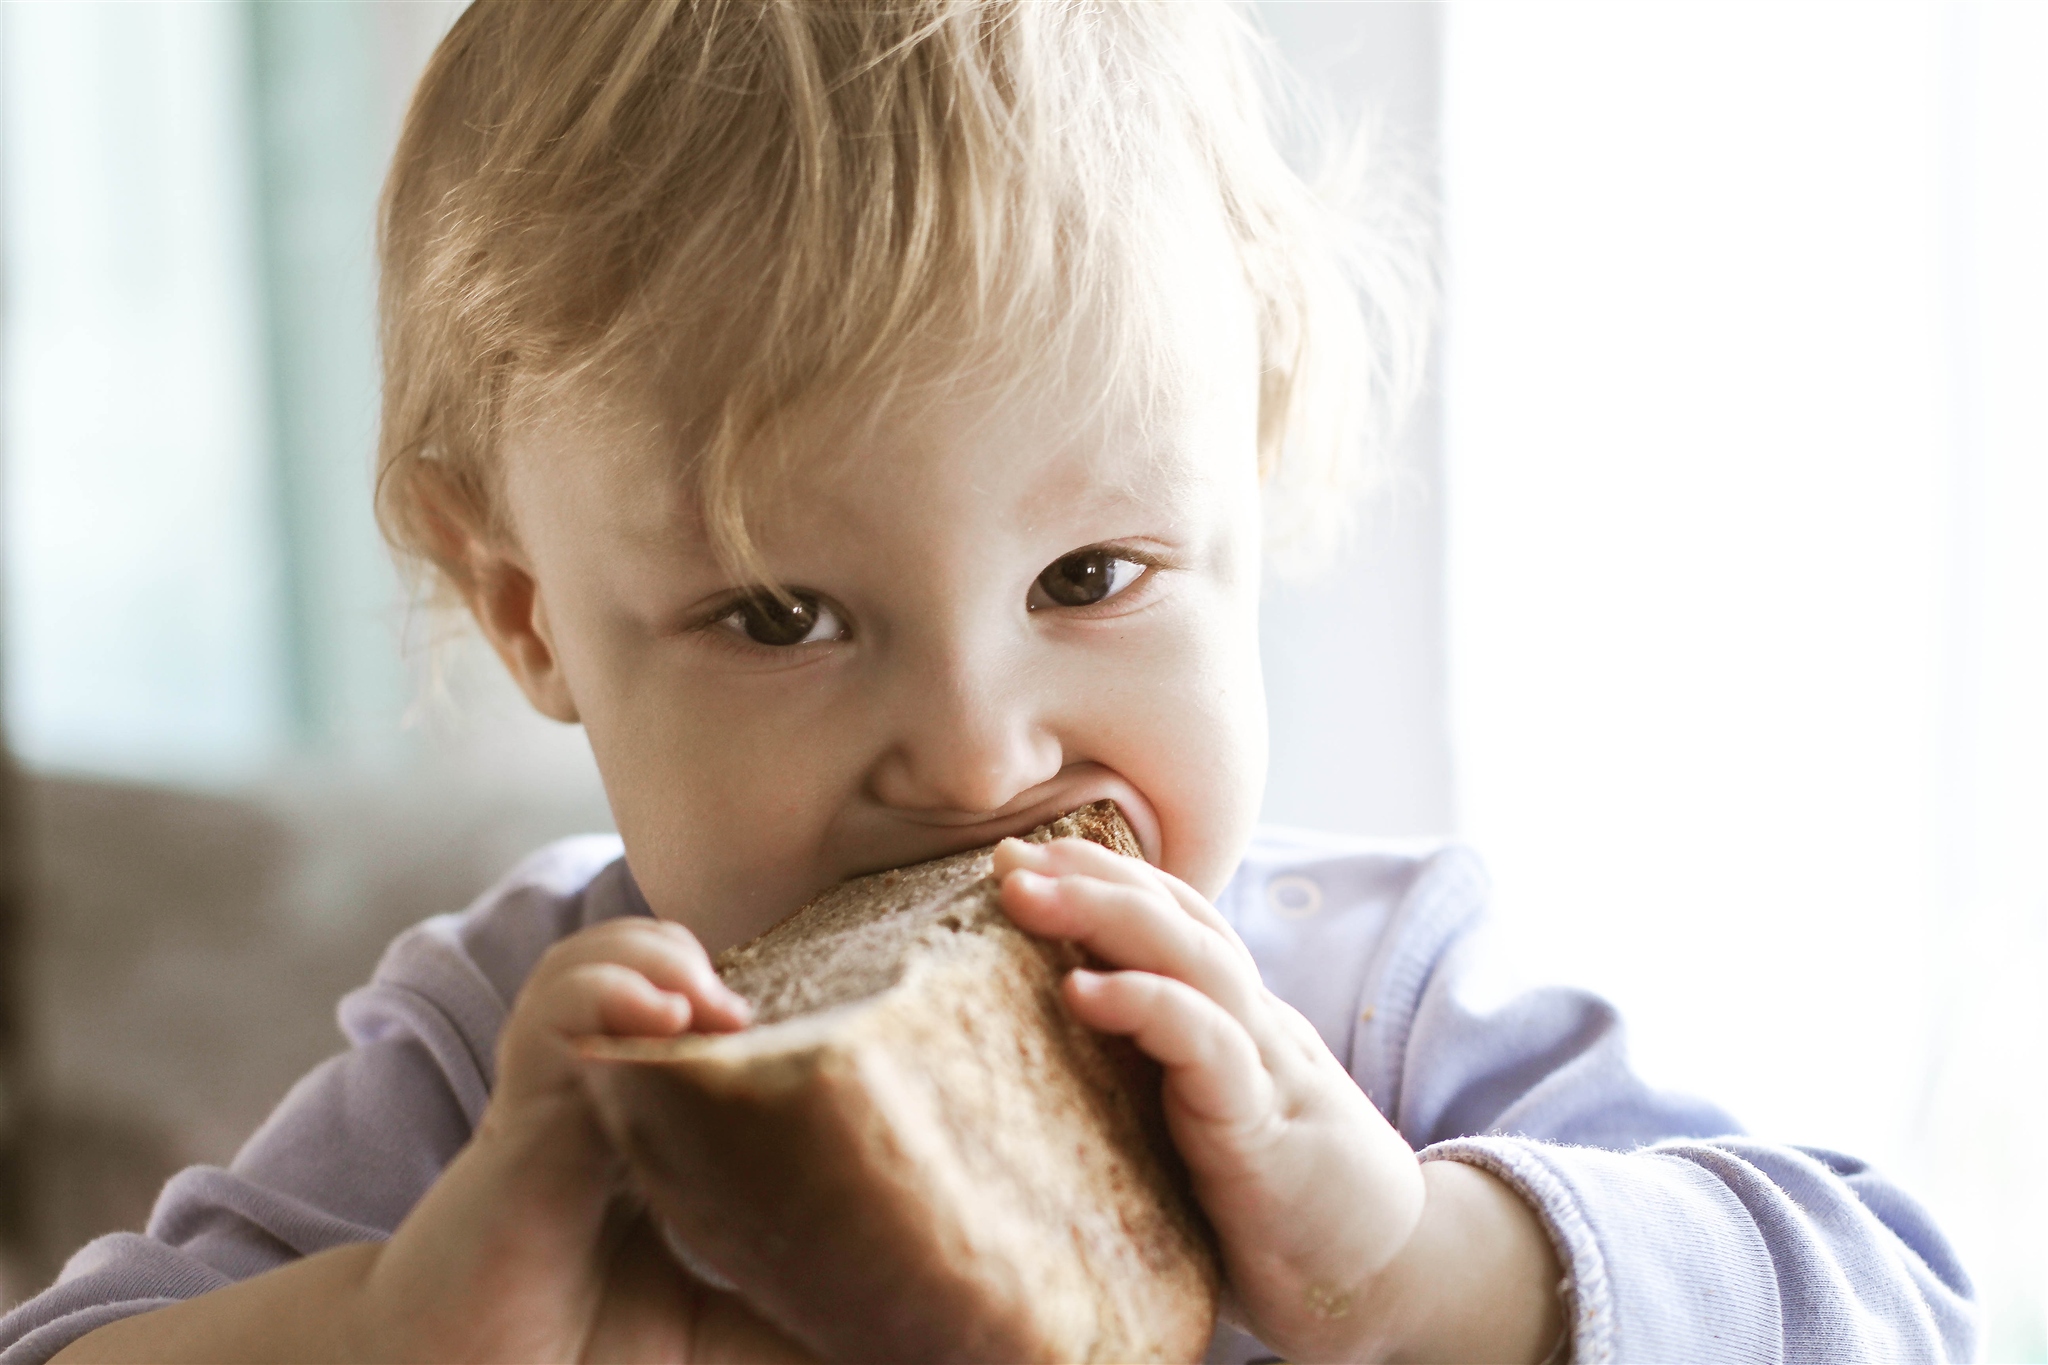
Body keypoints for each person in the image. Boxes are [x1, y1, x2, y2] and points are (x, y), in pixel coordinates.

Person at [0, 2, 1975, 1361]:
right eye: (781, 613)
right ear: (526, 608)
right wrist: (401, 1319)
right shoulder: (507, 1069)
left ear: (1249, 484)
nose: (972, 749)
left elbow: (1903, 1302)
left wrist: (1413, 1261)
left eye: (1090, 575)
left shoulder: (1363, 1007)